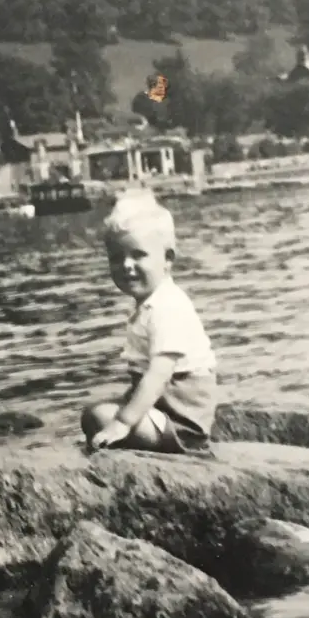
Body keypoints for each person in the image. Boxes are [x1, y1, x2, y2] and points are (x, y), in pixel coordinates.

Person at [81, 190, 217, 455]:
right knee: (93, 412)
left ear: (168, 258)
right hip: (161, 410)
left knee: (98, 418)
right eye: (116, 258)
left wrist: (123, 422)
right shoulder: (150, 304)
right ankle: (135, 426)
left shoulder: (168, 306)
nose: (126, 266)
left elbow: (159, 374)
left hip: (181, 420)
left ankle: (180, 443)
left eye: (138, 255)